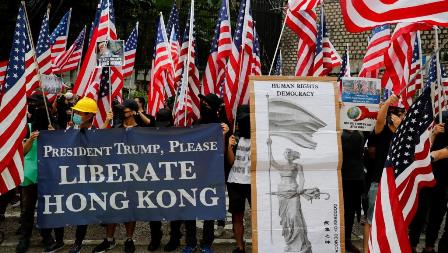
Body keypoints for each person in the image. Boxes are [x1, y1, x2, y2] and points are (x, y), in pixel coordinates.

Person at [181, 94, 230, 253]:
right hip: (193, 173)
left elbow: (222, 153)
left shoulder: (222, 126)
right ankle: (190, 242)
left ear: (215, 109)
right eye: (203, 103)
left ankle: (207, 243)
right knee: (190, 209)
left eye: (207, 105)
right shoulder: (196, 123)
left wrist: (223, 135)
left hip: (213, 173)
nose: (204, 106)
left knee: (209, 210)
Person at [92, 100, 140, 253]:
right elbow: (99, 139)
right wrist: (107, 120)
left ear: (133, 111)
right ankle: (109, 239)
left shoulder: (142, 130)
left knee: (130, 208)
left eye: (124, 111)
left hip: (134, 175)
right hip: (114, 174)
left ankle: (129, 239)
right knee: (111, 206)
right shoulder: (116, 128)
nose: (121, 114)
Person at [364, 94, 403, 252]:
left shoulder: (404, 135)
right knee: (370, 219)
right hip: (379, 181)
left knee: (392, 221)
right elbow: (379, 121)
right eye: (394, 113)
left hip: (397, 182)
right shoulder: (382, 132)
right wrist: (387, 102)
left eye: (400, 113)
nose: (397, 116)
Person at [15, 94, 54, 253]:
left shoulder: (53, 129)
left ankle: (47, 236)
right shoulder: (28, 129)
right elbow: (22, 153)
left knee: (46, 208)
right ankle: (25, 238)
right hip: (29, 175)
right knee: (27, 210)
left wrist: (55, 136)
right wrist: (31, 139)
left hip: (47, 175)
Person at [409, 114, 448, 253]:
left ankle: (429, 247)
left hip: (443, 182)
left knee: (436, 218)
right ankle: (412, 245)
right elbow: (423, 151)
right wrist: (433, 133)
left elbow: (441, 153)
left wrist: (434, 156)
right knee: (419, 214)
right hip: (427, 179)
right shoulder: (433, 130)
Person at [65, 96, 98, 253]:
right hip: (71, 177)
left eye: (80, 112)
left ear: (90, 115)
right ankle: (58, 240)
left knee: (83, 209)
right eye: (75, 111)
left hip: (89, 177)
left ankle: (78, 241)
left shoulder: (99, 134)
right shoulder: (69, 131)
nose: (76, 114)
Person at [147, 108, 183, 252]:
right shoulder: (151, 134)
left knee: (174, 209)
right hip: (154, 176)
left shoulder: (179, 134)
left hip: (173, 177)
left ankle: (175, 237)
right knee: (153, 209)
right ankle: (155, 237)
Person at [266, 138, 312, 253]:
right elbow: (271, 161)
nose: (287, 154)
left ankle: (301, 244)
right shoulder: (281, 166)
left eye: (289, 152)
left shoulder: (297, 166)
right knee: (285, 219)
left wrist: (301, 187)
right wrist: (269, 146)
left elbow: (302, 178)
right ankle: (289, 243)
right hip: (282, 193)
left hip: (293, 192)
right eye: (285, 153)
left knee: (295, 216)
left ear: (292, 155)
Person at [226, 105, 251, 253]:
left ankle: (260, 243)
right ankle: (240, 247)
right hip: (235, 182)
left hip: (254, 183)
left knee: (259, 214)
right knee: (237, 216)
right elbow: (231, 162)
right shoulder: (234, 138)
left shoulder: (259, 136)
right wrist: (229, 147)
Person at [341, 130, 365, 253]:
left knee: (350, 212)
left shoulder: (361, 133)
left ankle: (347, 239)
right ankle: (344, 239)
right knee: (345, 211)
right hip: (343, 177)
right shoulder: (341, 134)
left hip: (355, 177)